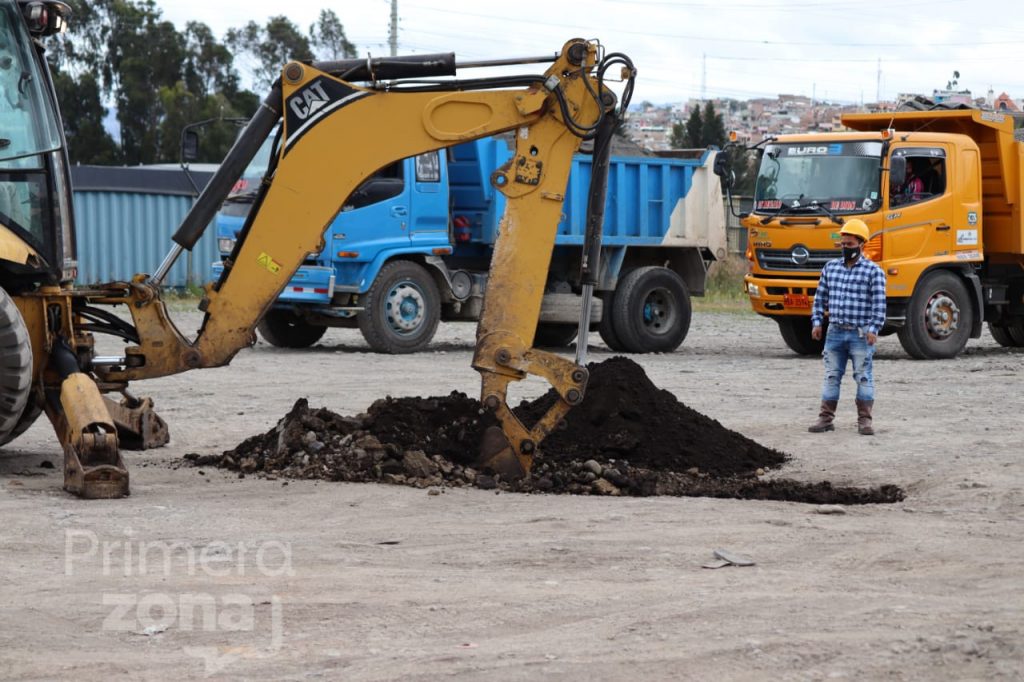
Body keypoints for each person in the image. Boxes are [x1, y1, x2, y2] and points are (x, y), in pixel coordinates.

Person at [807, 219, 886, 435]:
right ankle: (825, 418)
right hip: (835, 331)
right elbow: (820, 298)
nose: (845, 248)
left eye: (849, 244)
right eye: (842, 244)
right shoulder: (830, 268)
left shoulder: (874, 272)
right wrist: (817, 322)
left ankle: (865, 421)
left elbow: (879, 303)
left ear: (862, 245)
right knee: (832, 375)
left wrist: (874, 328)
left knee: (863, 375)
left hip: (860, 333)